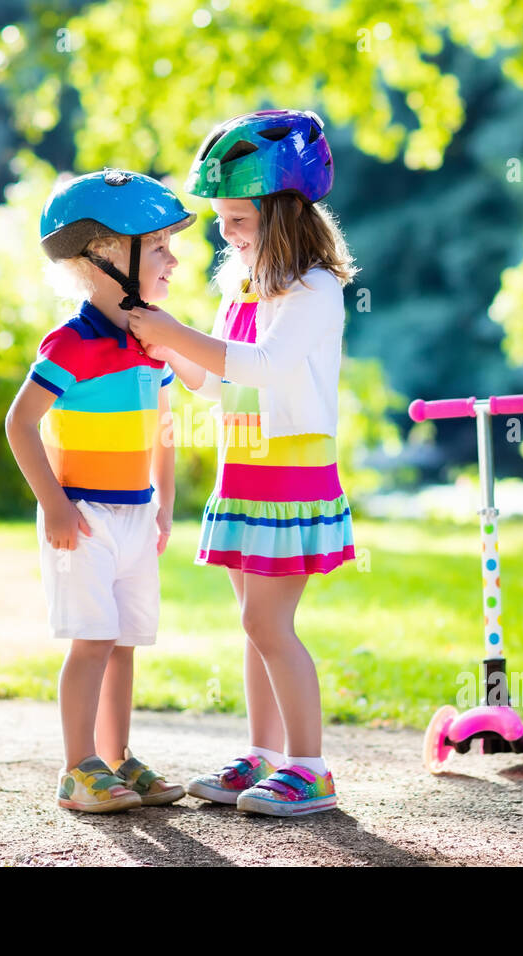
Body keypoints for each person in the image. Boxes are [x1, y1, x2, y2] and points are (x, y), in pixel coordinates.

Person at [127, 109, 359, 816]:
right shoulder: (242, 287)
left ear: (284, 210)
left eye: (239, 219)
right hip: (247, 466)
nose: (226, 234)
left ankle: (310, 768)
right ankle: (264, 756)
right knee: (252, 626)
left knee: (269, 626)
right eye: (223, 219)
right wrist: (167, 351)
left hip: (292, 471)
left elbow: (265, 366)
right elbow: (224, 383)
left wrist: (176, 332)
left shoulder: (315, 288)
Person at [5, 168, 192, 812]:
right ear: (110, 255)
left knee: (123, 643)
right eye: (161, 245)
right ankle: (76, 768)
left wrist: (165, 503)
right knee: (91, 641)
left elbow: (165, 429)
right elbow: (19, 423)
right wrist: (54, 503)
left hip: (137, 516)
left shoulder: (153, 337)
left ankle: (115, 759)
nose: (174, 258)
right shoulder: (73, 342)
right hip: (80, 517)